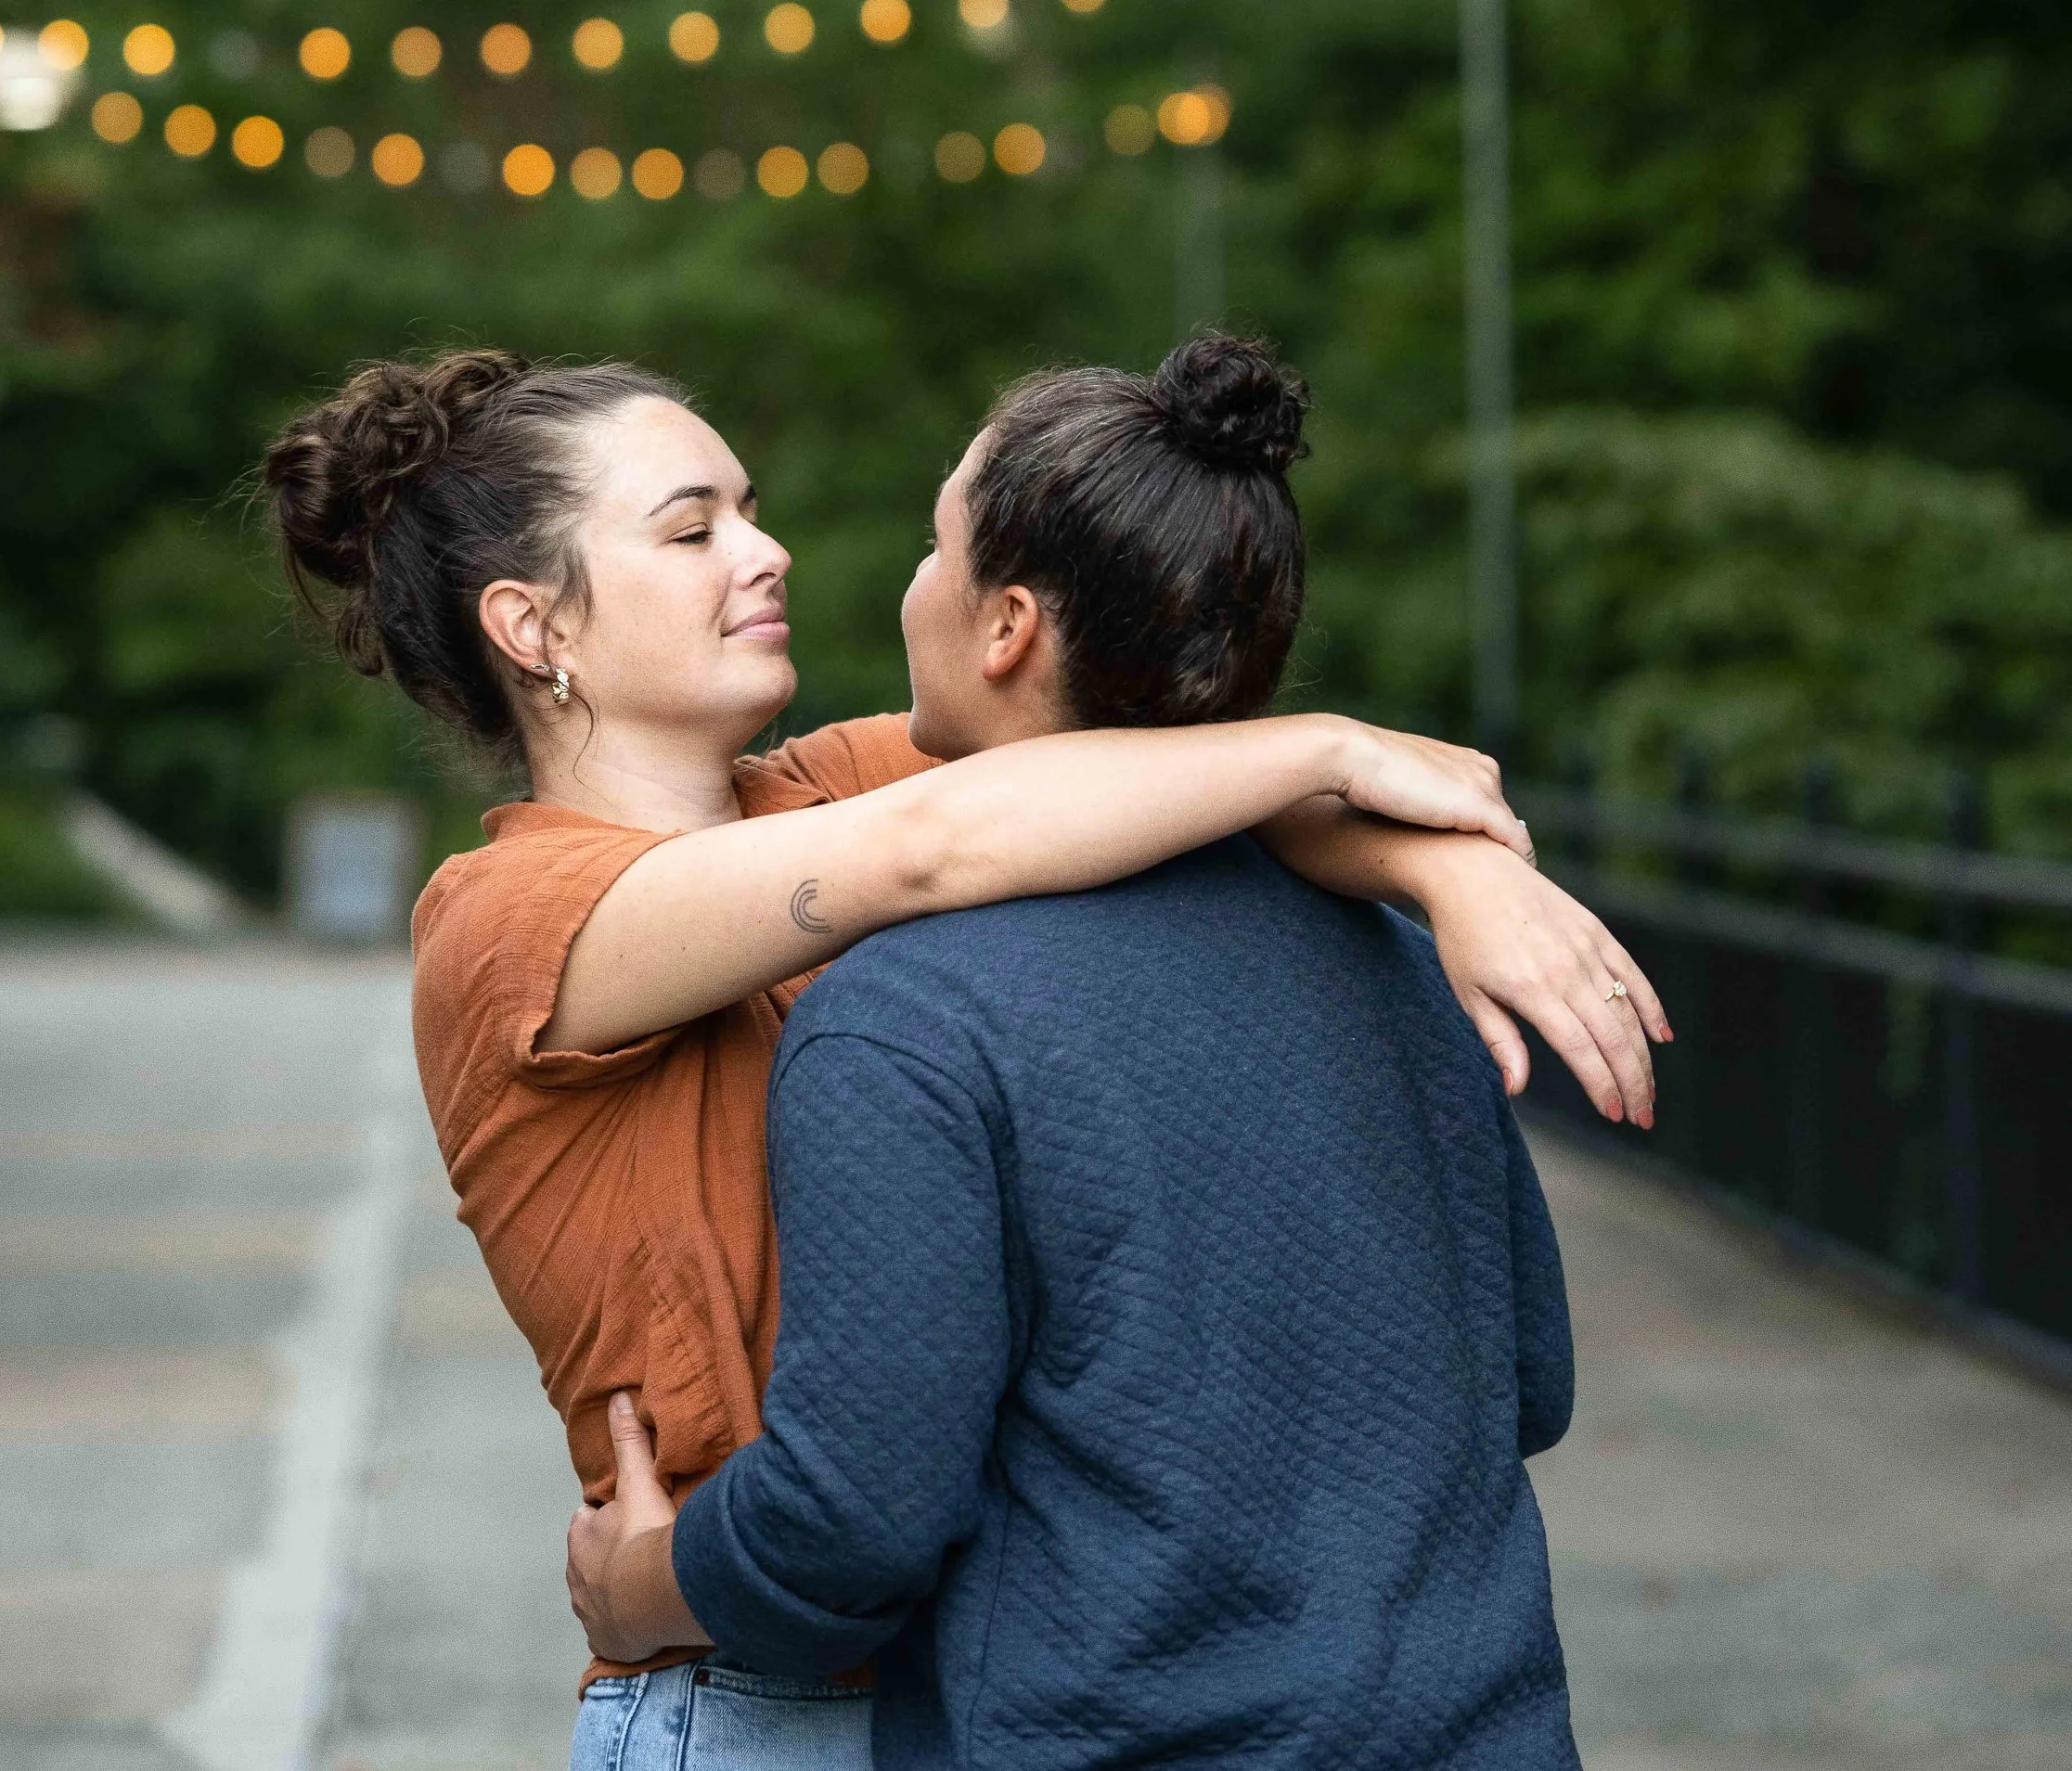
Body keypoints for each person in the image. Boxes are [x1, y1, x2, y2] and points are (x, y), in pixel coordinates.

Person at [261, 347, 1661, 1771]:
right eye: (693, 530)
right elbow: (947, 847)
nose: (766, 548)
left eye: (750, 507)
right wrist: (1344, 745)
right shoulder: (506, 922)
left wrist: (1455, 878)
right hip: (756, 1684)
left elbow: (1163, 773)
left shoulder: (832, 787)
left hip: (1000, 1661)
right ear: (529, 624)